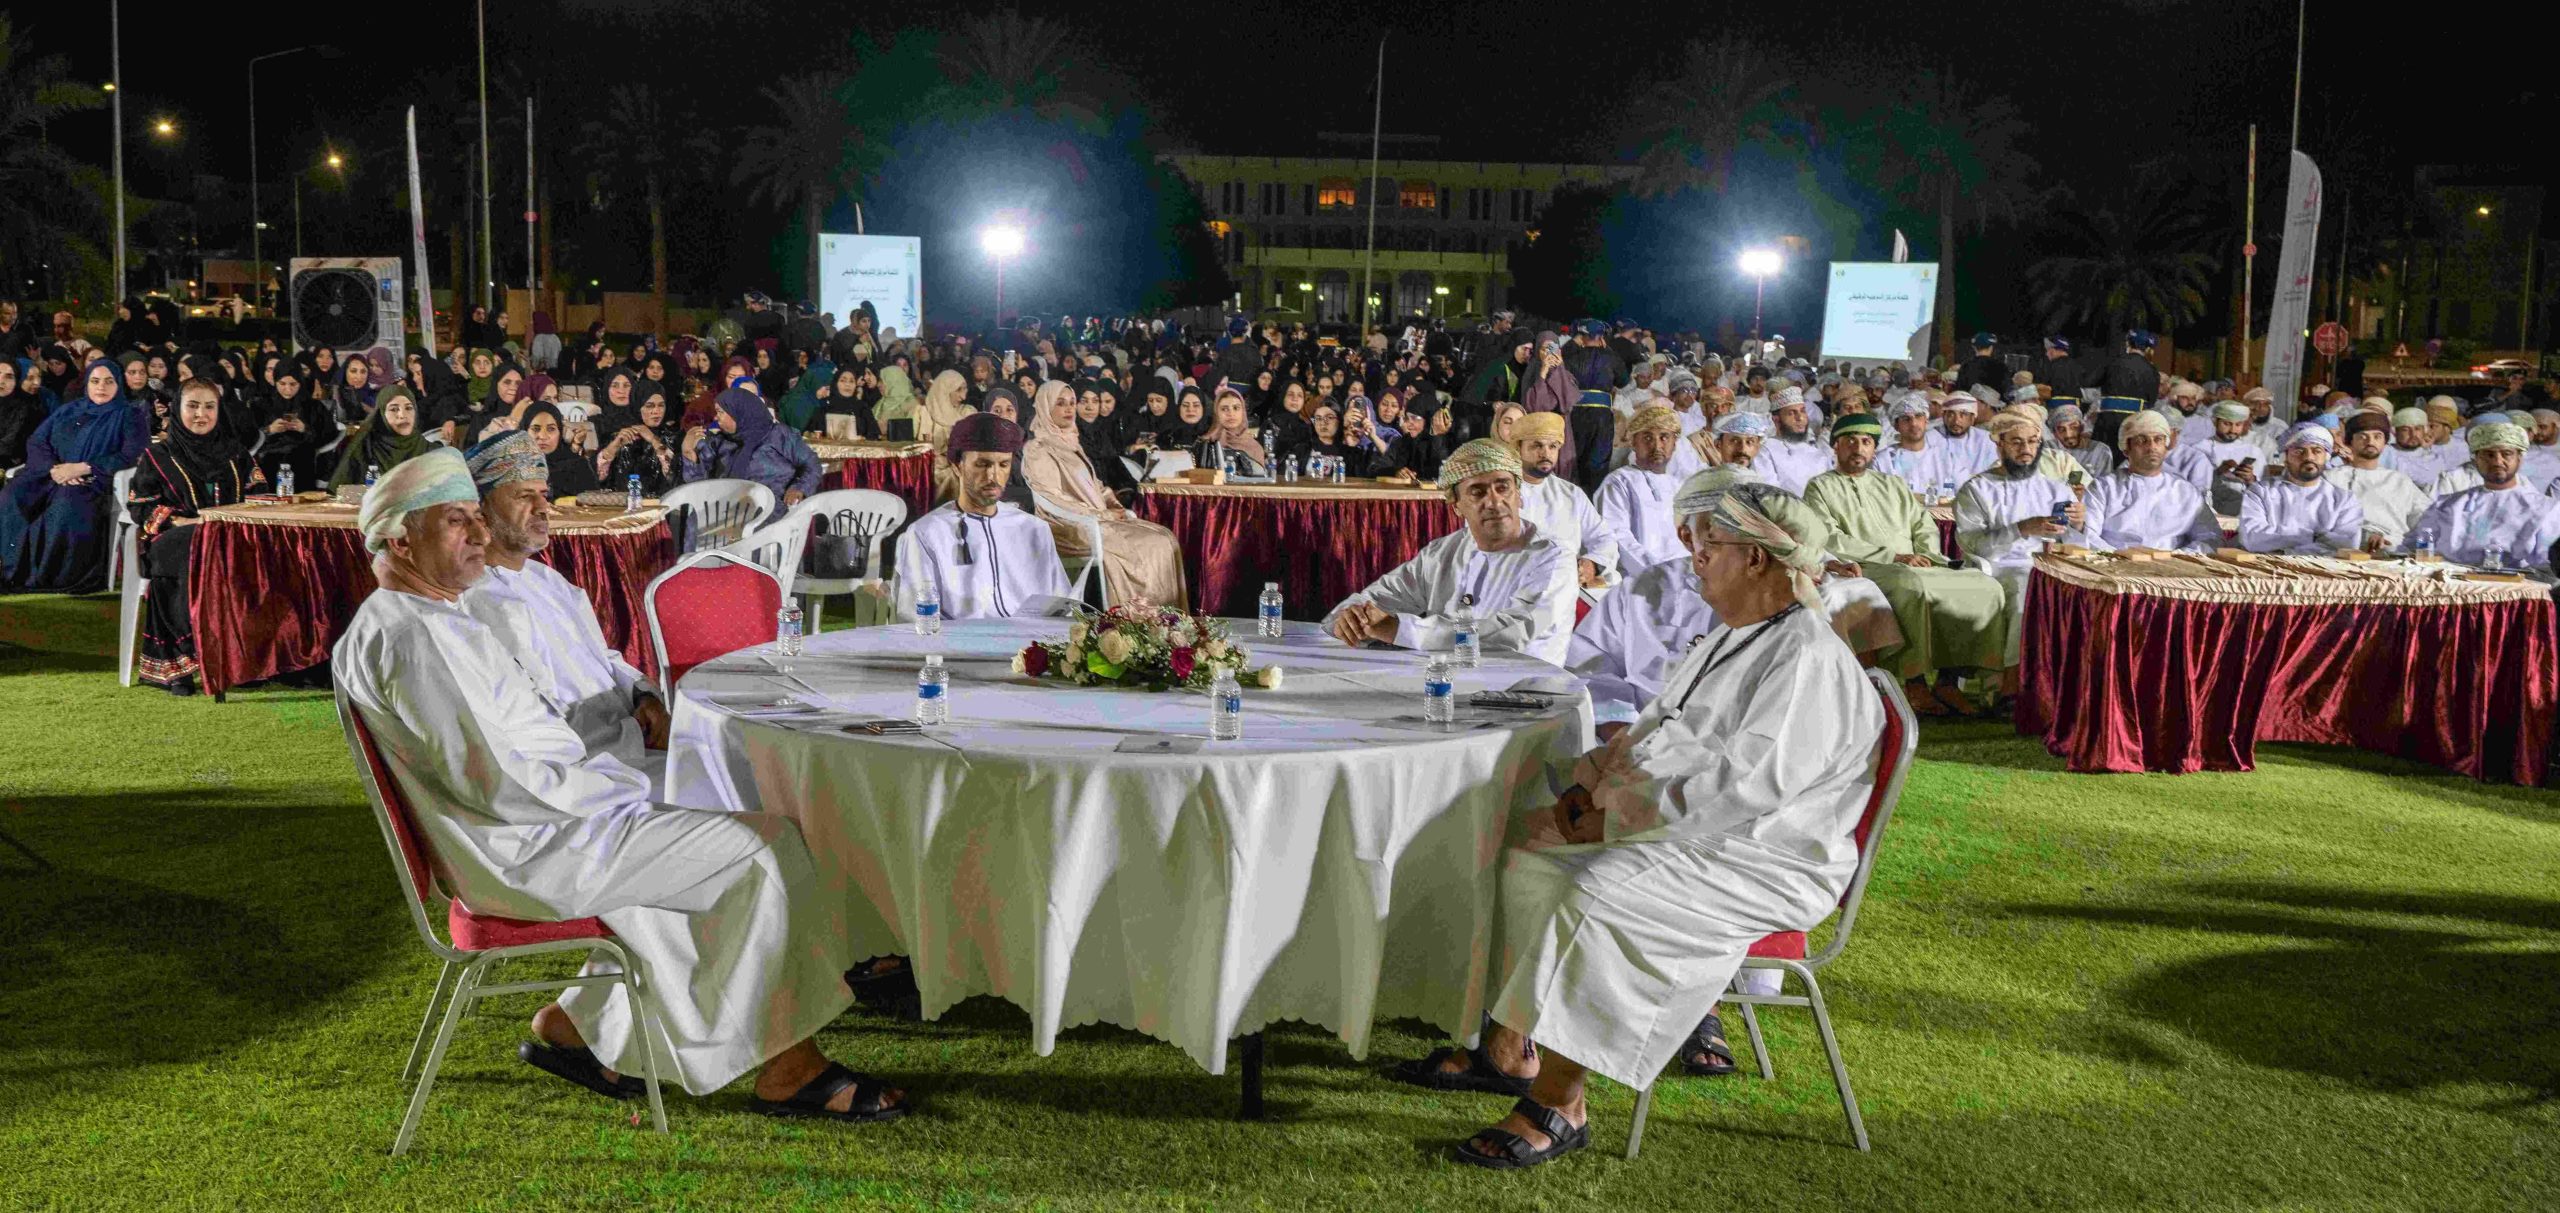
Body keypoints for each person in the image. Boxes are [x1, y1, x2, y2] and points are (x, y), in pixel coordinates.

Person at [334, 449, 909, 1124]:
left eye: (474, 517)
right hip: (533, 844)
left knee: (728, 833)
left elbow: (519, 754)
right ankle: (791, 1066)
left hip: (547, 821)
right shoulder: (413, 636)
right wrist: (625, 789)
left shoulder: (428, 616)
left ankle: (581, 1027)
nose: (480, 534)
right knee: (765, 846)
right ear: (400, 539)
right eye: (458, 520)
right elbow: (504, 781)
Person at [1389, 475, 1881, 1170]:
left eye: (1711, 543)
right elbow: (1651, 732)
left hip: (1765, 854)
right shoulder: (1733, 638)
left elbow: (1739, 787)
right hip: (1696, 828)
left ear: (1759, 560)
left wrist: (1609, 821)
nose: (1696, 557)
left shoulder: (1805, 656)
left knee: (1598, 890)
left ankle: (1562, 1102)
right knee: (1523, 850)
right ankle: (1511, 1049)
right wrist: (1582, 785)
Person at [454, 432, 669, 787]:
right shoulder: (478, 601)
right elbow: (535, 727)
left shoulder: (549, 580)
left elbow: (604, 657)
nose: (542, 508)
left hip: (634, 743)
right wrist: (634, 734)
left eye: (544, 494)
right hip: (591, 771)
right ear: (480, 509)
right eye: (524, 496)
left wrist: (643, 696)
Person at [1802, 414, 2010, 715]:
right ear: (1835, 447)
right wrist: (1894, 557)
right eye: (1849, 441)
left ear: (1874, 449)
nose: (1858, 448)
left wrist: (1929, 555)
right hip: (1867, 567)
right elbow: (1830, 537)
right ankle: (1915, 686)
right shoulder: (1820, 487)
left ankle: (1949, 682)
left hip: (1915, 563)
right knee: (1909, 587)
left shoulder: (1893, 484)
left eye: (1866, 442)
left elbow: (1922, 524)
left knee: (1984, 586)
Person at [1323, 438, 1571, 663]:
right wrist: (1350, 619)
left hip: (1527, 691)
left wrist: (1401, 630)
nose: (1494, 502)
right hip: (1443, 684)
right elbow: (1376, 597)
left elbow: (1511, 633)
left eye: (1503, 487)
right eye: (1478, 492)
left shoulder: (1552, 557)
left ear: (1520, 496)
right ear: (1456, 507)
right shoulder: (1443, 553)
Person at [126, 380, 259, 694]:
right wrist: (183, 520)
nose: (201, 414)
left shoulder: (236, 454)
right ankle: (188, 660)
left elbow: (261, 496)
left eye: (209, 407)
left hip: (228, 537)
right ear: (177, 410)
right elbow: (141, 506)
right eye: (193, 406)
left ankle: (247, 659)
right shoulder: (158, 455)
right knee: (195, 545)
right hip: (173, 538)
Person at [1017, 381, 1187, 607]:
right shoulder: (1037, 449)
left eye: (1071, 403)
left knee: (1165, 537)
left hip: (1094, 519)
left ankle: (1163, 619)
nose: (1069, 409)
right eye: (1060, 404)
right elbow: (1052, 498)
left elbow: (1097, 485)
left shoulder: (1070, 442)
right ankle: (1133, 619)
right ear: (1045, 407)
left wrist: (1113, 504)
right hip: (1066, 526)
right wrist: (1100, 516)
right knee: (1148, 544)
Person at [893, 412, 1071, 621]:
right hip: (962, 647)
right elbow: (916, 615)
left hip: (1030, 645)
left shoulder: (1034, 529)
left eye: (1003, 465)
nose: (993, 477)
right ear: (957, 466)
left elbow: (1062, 604)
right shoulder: (926, 534)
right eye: (982, 464)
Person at [1953, 414, 2090, 674]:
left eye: (2032, 442)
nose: (2026, 450)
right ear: (2000, 444)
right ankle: (2013, 681)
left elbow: (2074, 541)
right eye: (2016, 442)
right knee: (2027, 589)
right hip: (2000, 566)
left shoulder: (2056, 489)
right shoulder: (1977, 489)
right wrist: (2021, 529)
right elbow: (1972, 544)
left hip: (2053, 566)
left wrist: (2080, 524)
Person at [2, 359, 151, 592]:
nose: (101, 387)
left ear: (119, 384)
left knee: (66, 504)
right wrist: (55, 469)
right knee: (12, 495)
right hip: (51, 475)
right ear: (87, 384)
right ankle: (10, 572)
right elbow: (38, 440)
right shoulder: (69, 409)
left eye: (108, 381)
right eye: (95, 381)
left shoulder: (130, 415)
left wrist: (83, 467)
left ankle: (48, 577)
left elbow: (131, 454)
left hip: (93, 482)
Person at [2406, 420, 2560, 567]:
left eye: (2506, 454)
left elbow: (2549, 569)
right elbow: (2413, 548)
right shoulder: (2447, 505)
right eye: (2489, 455)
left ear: (2519, 458)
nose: (2498, 461)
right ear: (2476, 459)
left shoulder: (2546, 509)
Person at [2081, 410, 2223, 553]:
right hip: (2114, 566)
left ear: (2165, 447)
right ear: (2126, 449)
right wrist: (2120, 557)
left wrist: (2177, 557)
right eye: (2142, 441)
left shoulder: (2185, 491)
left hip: (2172, 569)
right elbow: (2088, 534)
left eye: (2158, 440)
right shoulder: (2103, 488)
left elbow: (2211, 537)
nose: (2152, 447)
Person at [1511, 412, 1619, 593]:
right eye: (1537, 445)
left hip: (1569, 585)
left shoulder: (1571, 494)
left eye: (1553, 446)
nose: (1546, 453)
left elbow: (1603, 538)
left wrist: (1592, 564)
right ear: (1518, 449)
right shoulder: (1500, 492)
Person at [681, 388, 821, 509]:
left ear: (738, 412)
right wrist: (688, 453)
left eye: (720, 412)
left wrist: (799, 488)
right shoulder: (719, 442)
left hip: (774, 515)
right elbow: (699, 487)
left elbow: (812, 464)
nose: (716, 417)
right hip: (728, 514)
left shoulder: (778, 435)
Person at [2237, 423, 2365, 555]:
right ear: (2285, 458)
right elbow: (2252, 538)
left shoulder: (2344, 499)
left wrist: (2283, 547)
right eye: (2299, 451)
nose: (2309, 457)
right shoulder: (2260, 492)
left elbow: (2347, 544)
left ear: (2326, 458)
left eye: (2317, 451)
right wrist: (2314, 537)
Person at [1594, 406, 1686, 568]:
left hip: (1682, 575)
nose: (1657, 446)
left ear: (1674, 443)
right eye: (1648, 438)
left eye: (1664, 437)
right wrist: (1658, 572)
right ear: (1633, 443)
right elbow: (1617, 537)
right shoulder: (1618, 482)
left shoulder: (1679, 487)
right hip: (1639, 579)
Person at [2324, 411, 2429, 551]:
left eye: (2377, 437)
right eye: (2363, 437)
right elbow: (2320, 525)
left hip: (2395, 551)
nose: (2370, 442)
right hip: (2346, 552)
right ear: (2350, 442)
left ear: (2385, 442)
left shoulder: (2399, 481)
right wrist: (2363, 537)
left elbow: (2426, 519)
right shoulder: (2332, 478)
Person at [326, 386, 434, 490]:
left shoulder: (432, 451)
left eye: (409, 408)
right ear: (382, 415)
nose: (402, 415)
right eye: (394, 409)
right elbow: (341, 493)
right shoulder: (363, 450)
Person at [2093, 329, 2162, 453]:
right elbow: (2151, 401)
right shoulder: (2152, 371)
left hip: (2106, 420)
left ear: (2128, 344)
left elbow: (2093, 382)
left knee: (2099, 457)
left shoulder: (2113, 361)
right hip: (2133, 423)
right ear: (2147, 348)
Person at [1755, 395, 1832, 493]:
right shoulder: (1766, 449)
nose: (1800, 418)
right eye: (1791, 413)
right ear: (1776, 420)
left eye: (1803, 411)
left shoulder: (1817, 452)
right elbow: (1769, 494)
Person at [520, 401, 600, 497]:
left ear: (560, 432)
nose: (542, 436)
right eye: (536, 429)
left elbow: (594, 504)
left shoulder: (578, 466)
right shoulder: (512, 468)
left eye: (551, 429)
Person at [2049, 404, 2112, 478]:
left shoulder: (2100, 451)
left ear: (2082, 428)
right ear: (2054, 433)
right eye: (2062, 430)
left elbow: (2104, 485)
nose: (2068, 435)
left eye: (2074, 427)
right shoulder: (2047, 450)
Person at [1955, 332, 2008, 398]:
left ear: (1974, 347)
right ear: (1991, 347)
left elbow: (1960, 390)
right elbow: (2006, 391)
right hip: (1993, 406)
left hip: (1971, 405)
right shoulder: (2001, 367)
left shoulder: (1966, 366)